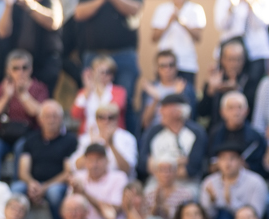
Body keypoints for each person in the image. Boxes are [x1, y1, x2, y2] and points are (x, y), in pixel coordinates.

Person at [75, 0, 142, 138]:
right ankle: (92, 141)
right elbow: (79, 13)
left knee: (125, 103)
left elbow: (135, 9)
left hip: (124, 54)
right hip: (94, 54)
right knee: (91, 98)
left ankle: (127, 145)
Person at [0, 49, 50, 179]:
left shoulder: (39, 87)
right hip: (6, 135)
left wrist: (23, 94)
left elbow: (40, 113)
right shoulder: (3, 87)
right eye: (16, 68)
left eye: (25, 67)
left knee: (21, 146)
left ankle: (16, 187)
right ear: (9, 70)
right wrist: (6, 97)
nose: (21, 72)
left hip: (29, 135)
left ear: (31, 69)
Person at [14, 101, 76, 219]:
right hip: (33, 183)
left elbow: (68, 172)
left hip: (56, 184)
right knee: (15, 189)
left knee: (54, 193)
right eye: (47, 116)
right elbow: (23, 170)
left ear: (61, 119)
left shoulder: (70, 140)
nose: (51, 120)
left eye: (55, 116)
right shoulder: (31, 139)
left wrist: (44, 187)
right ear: (40, 119)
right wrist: (32, 184)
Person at [199, 143, 268, 219]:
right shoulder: (209, 182)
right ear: (217, 162)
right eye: (223, 159)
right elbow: (205, 217)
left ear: (241, 161)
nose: (227, 163)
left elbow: (256, 216)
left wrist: (231, 202)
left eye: (232, 158)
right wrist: (212, 202)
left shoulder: (256, 182)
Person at [141, 50, 198, 134]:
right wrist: (156, 99)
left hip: (178, 133)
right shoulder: (151, 89)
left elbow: (190, 120)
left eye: (171, 65)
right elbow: (145, 123)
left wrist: (178, 96)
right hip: (155, 134)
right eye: (163, 66)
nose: (167, 69)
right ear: (157, 68)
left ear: (176, 67)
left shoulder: (186, 88)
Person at [151, 0, 206, 86]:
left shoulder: (196, 9)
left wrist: (182, 22)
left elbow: (198, 37)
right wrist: (169, 23)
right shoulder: (162, 9)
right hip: (165, 64)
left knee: (186, 96)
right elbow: (154, 38)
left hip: (187, 64)